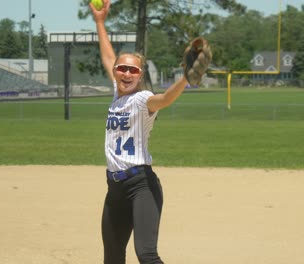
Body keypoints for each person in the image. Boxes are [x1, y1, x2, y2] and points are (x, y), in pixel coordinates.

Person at [89, 1, 198, 263]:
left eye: (133, 70)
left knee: (146, 254)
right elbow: (107, 56)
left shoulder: (142, 100)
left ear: (140, 75)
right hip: (114, 189)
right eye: (122, 68)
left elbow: (164, 99)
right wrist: (100, 22)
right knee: (113, 258)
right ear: (116, 72)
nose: (127, 73)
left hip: (142, 186)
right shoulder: (117, 94)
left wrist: (186, 77)